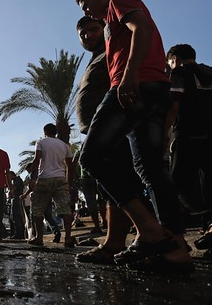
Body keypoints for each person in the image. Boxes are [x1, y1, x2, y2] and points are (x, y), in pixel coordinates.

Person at [76, 0, 192, 273]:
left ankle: (149, 231)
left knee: (91, 157)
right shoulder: (110, 22)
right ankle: (176, 249)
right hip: (153, 90)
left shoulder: (120, 2)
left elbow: (142, 29)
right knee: (150, 168)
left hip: (134, 88)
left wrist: (128, 77)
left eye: (87, 4)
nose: (88, 11)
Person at [73, 15, 137, 265]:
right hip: (101, 128)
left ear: (105, 28)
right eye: (82, 33)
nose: (88, 35)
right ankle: (114, 241)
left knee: (115, 178)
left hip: (115, 126)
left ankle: (149, 230)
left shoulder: (112, 50)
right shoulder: (96, 57)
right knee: (113, 186)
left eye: (93, 29)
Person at [165, 44, 212, 260]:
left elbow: (174, 108)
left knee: (177, 185)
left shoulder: (178, 74)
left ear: (174, 58)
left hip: (186, 138)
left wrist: (164, 135)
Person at [22, 123, 74, 247]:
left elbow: (37, 160)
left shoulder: (41, 142)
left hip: (44, 178)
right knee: (65, 209)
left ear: (44, 131)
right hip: (60, 179)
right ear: (55, 132)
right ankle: (68, 238)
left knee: (37, 209)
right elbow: (70, 166)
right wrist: (69, 182)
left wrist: (33, 178)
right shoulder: (64, 146)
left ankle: (39, 237)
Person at [8, 170, 26, 239]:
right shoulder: (15, 180)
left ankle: (19, 233)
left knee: (16, 216)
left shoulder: (17, 180)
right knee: (15, 217)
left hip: (17, 199)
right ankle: (18, 232)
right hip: (15, 199)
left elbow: (13, 188)